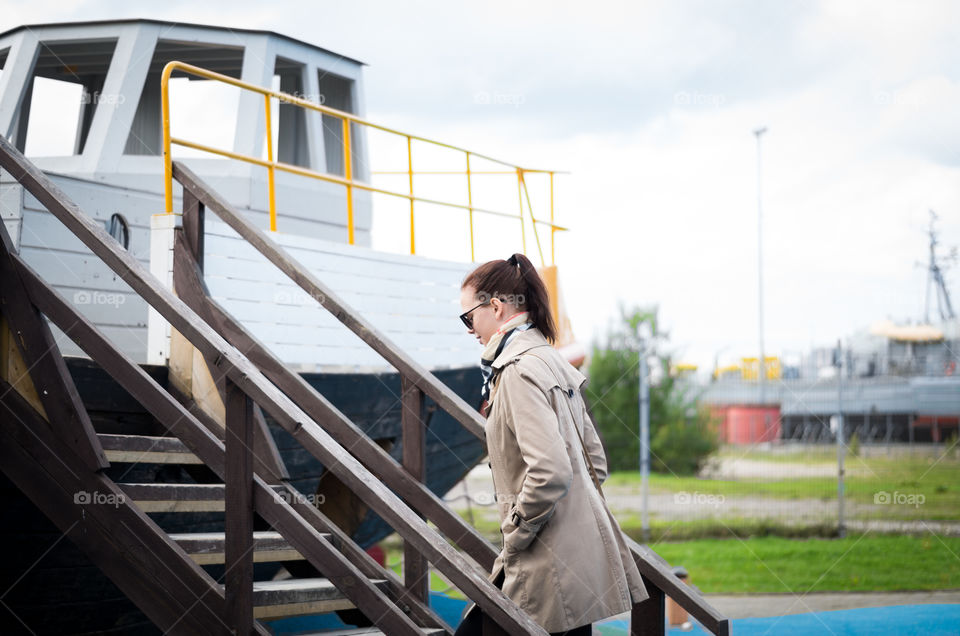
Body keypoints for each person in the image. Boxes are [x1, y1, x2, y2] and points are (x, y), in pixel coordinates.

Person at [455, 253, 648, 636]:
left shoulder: (515, 371)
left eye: (468, 317)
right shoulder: (550, 359)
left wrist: (516, 531)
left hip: (545, 565)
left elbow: (551, 471)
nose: (469, 328)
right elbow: (596, 462)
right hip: (576, 563)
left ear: (494, 307)